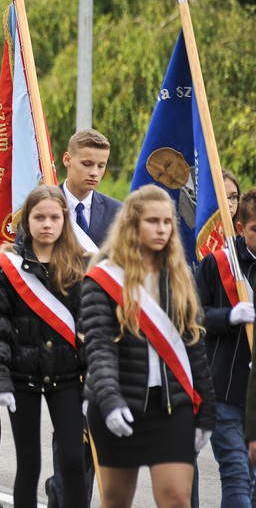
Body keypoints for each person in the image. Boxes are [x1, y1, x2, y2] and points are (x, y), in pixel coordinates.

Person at [83, 184, 216, 507]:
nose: (162, 229)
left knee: (177, 498)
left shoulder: (179, 276)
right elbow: (99, 349)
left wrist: (206, 411)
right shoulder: (103, 278)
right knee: (116, 500)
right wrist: (110, 400)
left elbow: (195, 347)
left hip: (171, 407)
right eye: (152, 221)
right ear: (132, 224)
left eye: (167, 222)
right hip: (120, 402)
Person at [0, 185, 88, 508]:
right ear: (26, 221)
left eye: (54, 217)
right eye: (39, 217)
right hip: (21, 377)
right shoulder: (7, 266)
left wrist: (95, 381)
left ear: (64, 220)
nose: (47, 224)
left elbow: (88, 329)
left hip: (67, 377)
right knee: (29, 464)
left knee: (74, 460)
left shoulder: (80, 264)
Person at [47, 128, 122, 506]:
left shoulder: (117, 212)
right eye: (87, 163)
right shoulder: (44, 206)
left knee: (92, 438)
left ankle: (66, 496)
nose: (94, 172)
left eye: (102, 166)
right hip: (55, 337)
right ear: (67, 159)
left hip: (101, 338)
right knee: (69, 439)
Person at [197, 187, 254, 506]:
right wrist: (229, 316)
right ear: (241, 228)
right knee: (236, 473)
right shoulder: (217, 264)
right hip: (225, 391)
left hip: (254, 395)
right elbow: (193, 316)